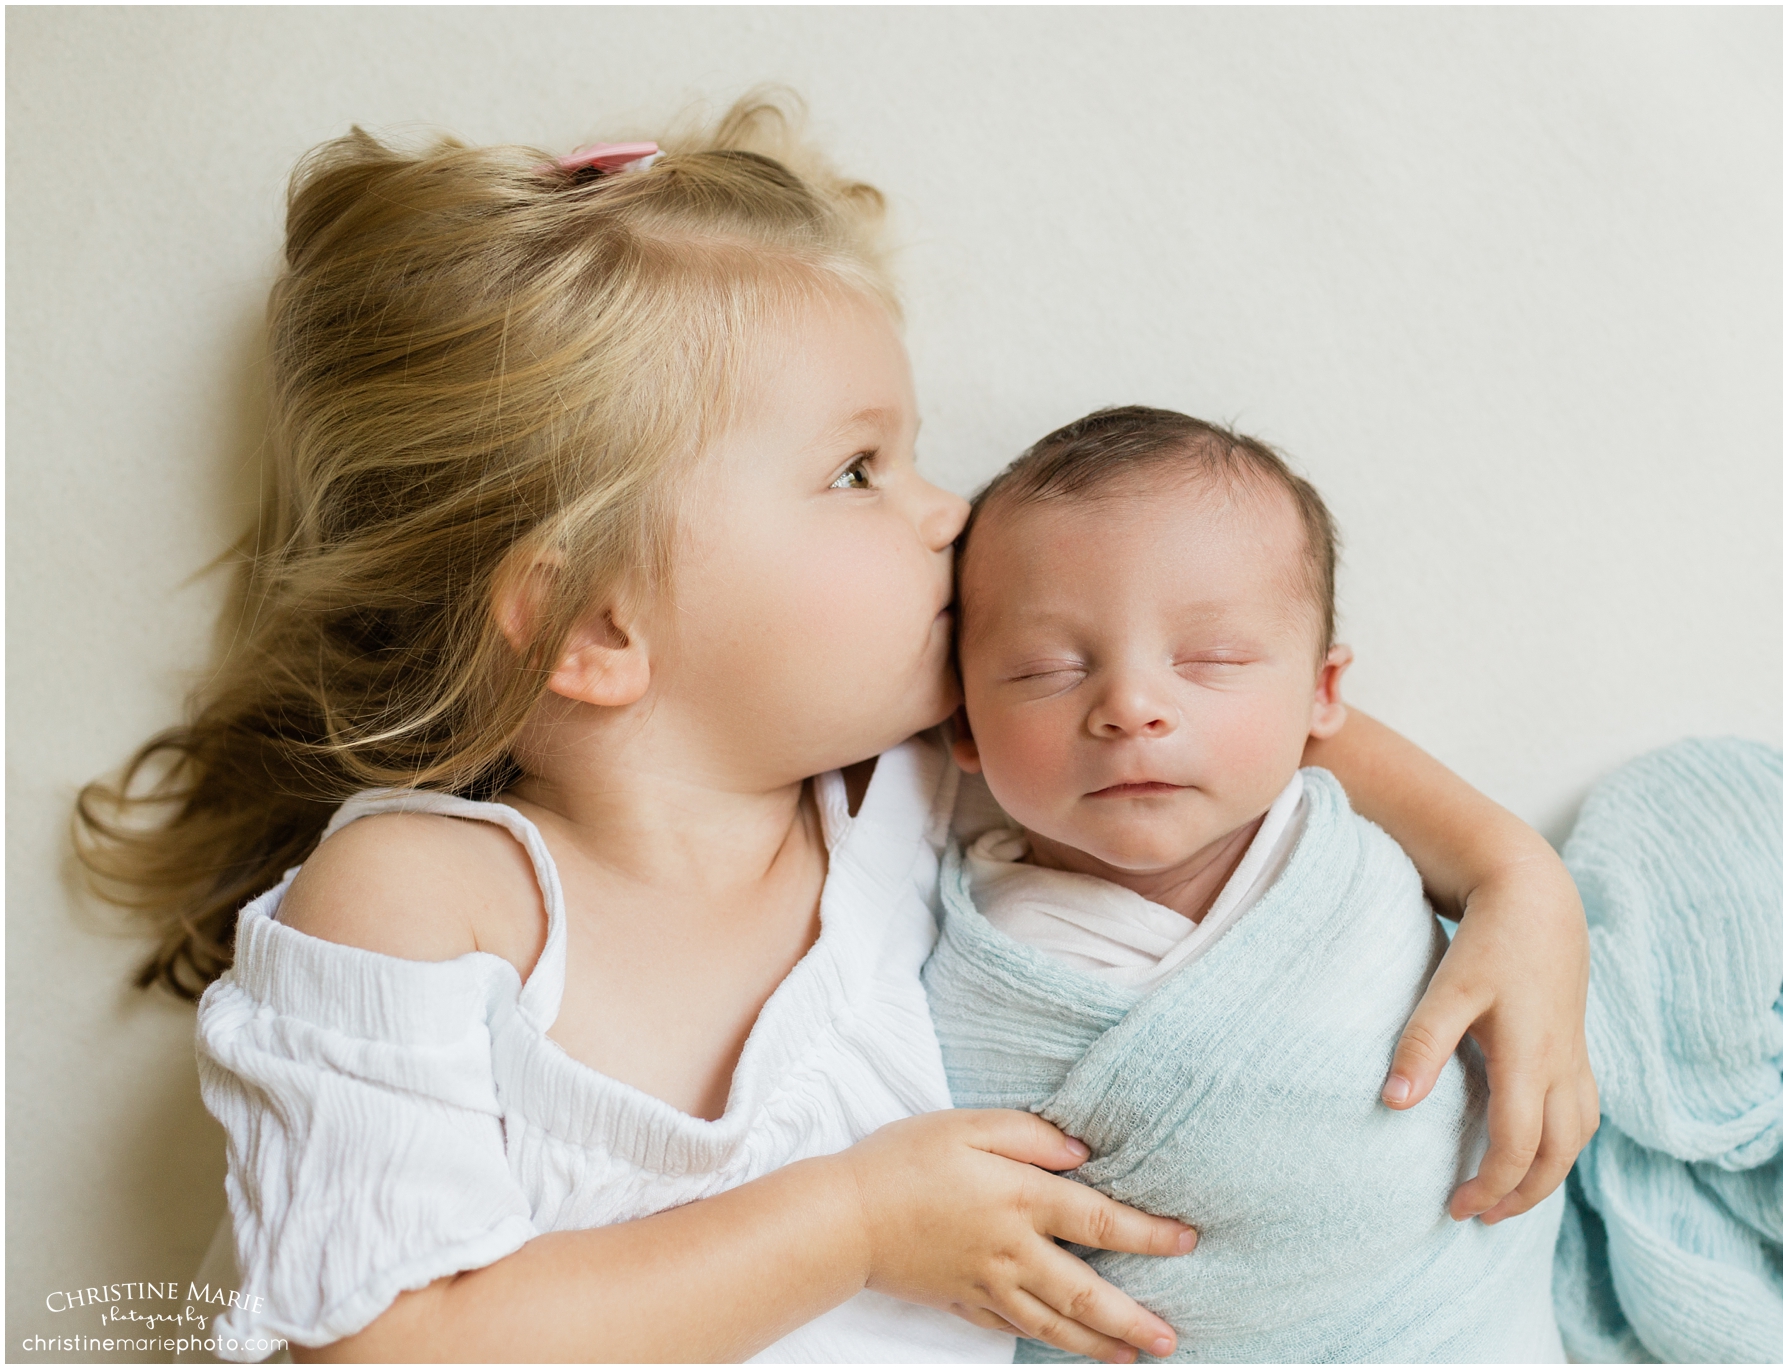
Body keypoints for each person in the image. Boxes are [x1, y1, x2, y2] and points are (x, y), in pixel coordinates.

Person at [73, 95, 1595, 1364]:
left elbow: (1243, 715)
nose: (955, 515)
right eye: (863, 471)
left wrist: (1515, 877)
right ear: (602, 627)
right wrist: (854, 1224)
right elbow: (386, 1345)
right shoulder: (427, 899)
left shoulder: (912, 797)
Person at [927, 406, 1569, 1361]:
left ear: (1322, 694)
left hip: (1449, 1312)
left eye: (1212, 659)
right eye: (1047, 668)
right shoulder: (967, 964)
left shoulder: (1344, 853)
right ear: (964, 725)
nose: (1131, 707)